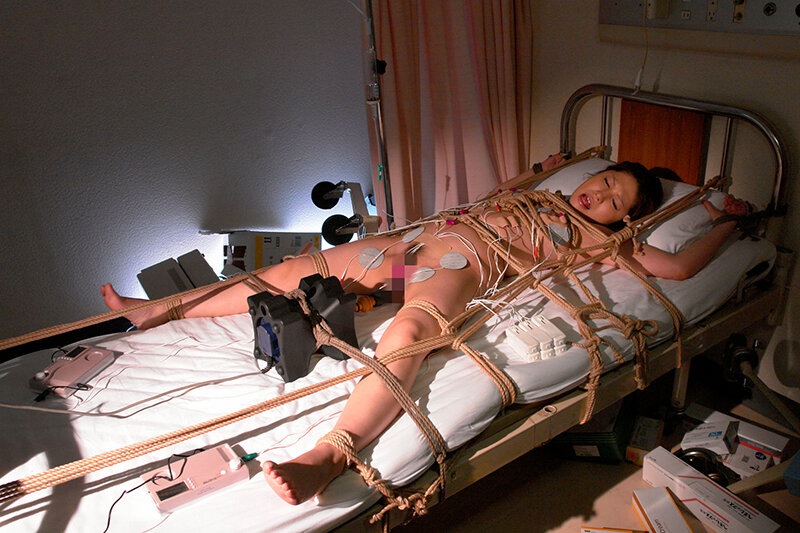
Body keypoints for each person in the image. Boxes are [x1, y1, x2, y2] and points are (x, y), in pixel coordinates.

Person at [101, 155, 747, 505]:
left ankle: (330, 455)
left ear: (620, 221)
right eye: (601, 182)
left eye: (614, 202)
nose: (596, 197)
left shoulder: (591, 237)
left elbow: (679, 267)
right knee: (297, 270)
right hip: (412, 250)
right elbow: (497, 195)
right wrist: (541, 171)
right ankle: (163, 309)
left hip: (463, 267)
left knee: (411, 328)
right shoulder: (544, 190)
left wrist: (725, 223)